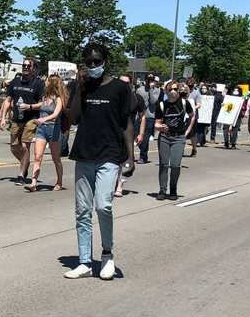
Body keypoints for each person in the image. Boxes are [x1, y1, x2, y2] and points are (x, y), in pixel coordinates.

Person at [64, 42, 134, 281]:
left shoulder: (120, 88)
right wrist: (80, 89)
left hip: (110, 154)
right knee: (82, 210)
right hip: (84, 153)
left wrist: (130, 157)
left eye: (97, 61)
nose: (92, 66)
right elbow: (72, 118)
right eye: (89, 62)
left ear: (105, 61)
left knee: (103, 205)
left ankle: (107, 254)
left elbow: (127, 123)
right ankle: (84, 261)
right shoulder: (81, 86)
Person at [0, 58, 45, 185]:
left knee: (25, 146)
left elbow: (43, 103)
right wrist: (3, 117)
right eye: (24, 65)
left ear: (33, 68)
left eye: (28, 66)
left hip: (30, 119)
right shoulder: (15, 81)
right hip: (16, 119)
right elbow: (8, 100)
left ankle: (21, 174)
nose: (25, 67)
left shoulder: (38, 84)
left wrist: (29, 106)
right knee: (14, 147)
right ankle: (25, 162)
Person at [25, 74, 67, 193]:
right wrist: (29, 107)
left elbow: (56, 114)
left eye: (47, 81)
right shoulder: (44, 97)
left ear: (52, 83)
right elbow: (40, 106)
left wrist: (43, 119)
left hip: (54, 130)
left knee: (56, 158)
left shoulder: (58, 98)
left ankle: (59, 182)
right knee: (37, 157)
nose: (45, 82)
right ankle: (33, 183)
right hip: (42, 130)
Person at [154, 82, 194, 200]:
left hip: (179, 137)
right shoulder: (161, 105)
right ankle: (162, 190)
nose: (173, 91)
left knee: (175, 165)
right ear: (166, 91)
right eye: (170, 89)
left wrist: (187, 132)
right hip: (165, 137)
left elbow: (192, 116)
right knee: (164, 164)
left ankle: (173, 189)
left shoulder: (184, 103)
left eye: (175, 89)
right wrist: (159, 127)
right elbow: (157, 123)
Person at [135, 75, 160, 164]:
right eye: (148, 80)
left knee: (145, 137)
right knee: (136, 135)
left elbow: (153, 101)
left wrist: (151, 89)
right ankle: (143, 151)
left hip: (150, 116)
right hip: (139, 116)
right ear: (145, 80)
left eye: (152, 80)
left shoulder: (157, 90)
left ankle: (143, 157)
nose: (150, 82)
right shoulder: (139, 89)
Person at [186, 79, 201, 157]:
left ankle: (194, 148)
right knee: (182, 132)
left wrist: (193, 107)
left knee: (192, 134)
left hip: (193, 115)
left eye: (191, 85)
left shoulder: (196, 92)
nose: (190, 87)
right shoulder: (183, 91)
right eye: (189, 85)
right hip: (183, 114)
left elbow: (199, 104)